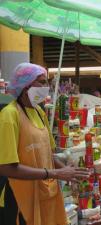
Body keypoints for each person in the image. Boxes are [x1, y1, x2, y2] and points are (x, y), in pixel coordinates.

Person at [0, 63, 90, 225]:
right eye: (41, 82)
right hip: (19, 198)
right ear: (26, 86)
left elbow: (47, 154)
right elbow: (5, 167)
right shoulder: (9, 116)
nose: (46, 87)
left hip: (43, 193)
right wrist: (54, 174)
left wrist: (65, 170)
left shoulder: (39, 113)